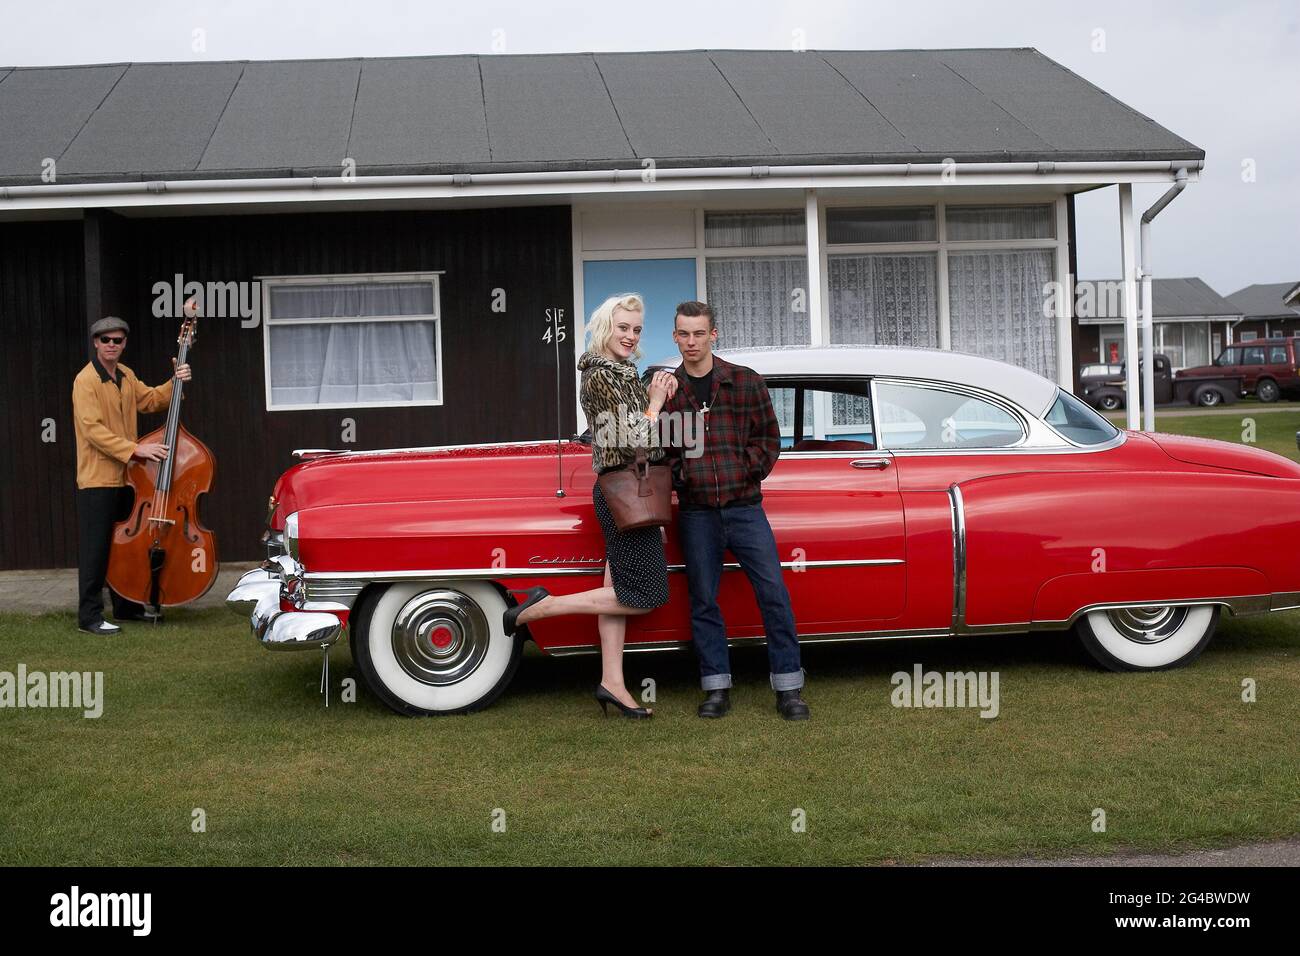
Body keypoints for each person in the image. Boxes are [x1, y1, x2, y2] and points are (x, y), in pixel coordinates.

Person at [504, 293, 677, 718]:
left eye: (636, 329)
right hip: (624, 490)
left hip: (628, 488)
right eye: (623, 327)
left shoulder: (622, 371)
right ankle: (542, 608)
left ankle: (612, 684)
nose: (631, 335)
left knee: (614, 591)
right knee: (644, 594)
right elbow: (635, 439)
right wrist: (655, 402)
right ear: (605, 327)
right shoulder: (602, 376)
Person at [661, 301, 810, 720]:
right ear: (675, 336)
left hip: (746, 508)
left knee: (774, 595)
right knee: (704, 601)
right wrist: (684, 476)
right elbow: (662, 450)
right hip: (696, 512)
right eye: (683, 334)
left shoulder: (744, 382)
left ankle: (789, 688)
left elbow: (769, 438)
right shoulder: (671, 392)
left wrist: (747, 471)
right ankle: (716, 688)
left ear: (714, 334)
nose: (691, 342)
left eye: (699, 333)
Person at [72, 316, 191, 635]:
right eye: (106, 340)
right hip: (98, 479)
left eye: (118, 340)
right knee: (96, 551)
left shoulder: (126, 375)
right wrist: (136, 450)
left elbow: (151, 399)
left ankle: (127, 608)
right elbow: (92, 430)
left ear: (124, 344)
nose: (112, 345)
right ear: (96, 343)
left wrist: (175, 380)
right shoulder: (85, 381)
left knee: (126, 549)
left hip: (129, 479)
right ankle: (89, 617)